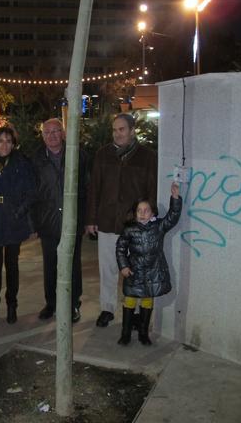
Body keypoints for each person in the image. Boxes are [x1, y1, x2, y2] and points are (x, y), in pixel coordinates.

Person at [85, 113, 157, 328]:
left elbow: (152, 190)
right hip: (107, 221)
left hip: (134, 225)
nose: (117, 134)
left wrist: (149, 219)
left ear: (132, 130)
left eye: (122, 129)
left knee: (134, 270)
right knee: (107, 269)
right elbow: (94, 188)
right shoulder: (103, 154)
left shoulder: (147, 157)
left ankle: (134, 311)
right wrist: (91, 219)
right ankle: (107, 309)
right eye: (114, 130)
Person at [31, 118, 89, 323]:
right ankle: (51, 303)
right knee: (50, 265)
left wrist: (86, 219)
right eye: (47, 132)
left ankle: (73, 304)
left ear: (63, 133)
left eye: (55, 131)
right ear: (42, 136)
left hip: (72, 220)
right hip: (48, 221)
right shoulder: (36, 159)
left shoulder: (78, 155)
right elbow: (32, 194)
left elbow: (86, 188)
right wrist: (34, 223)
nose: (52, 136)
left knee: (73, 264)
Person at [116, 182, 182, 346]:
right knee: (130, 300)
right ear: (135, 213)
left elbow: (172, 217)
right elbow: (120, 249)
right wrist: (124, 266)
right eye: (139, 210)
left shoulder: (158, 226)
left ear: (152, 212)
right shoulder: (129, 229)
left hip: (153, 271)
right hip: (134, 271)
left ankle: (143, 333)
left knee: (147, 300)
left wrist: (175, 198)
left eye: (146, 210)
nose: (142, 213)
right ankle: (125, 333)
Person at [0, 126, 36, 325]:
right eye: (0, 141)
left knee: (12, 265)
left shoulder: (22, 163)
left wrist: (18, 212)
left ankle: (12, 304)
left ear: (13, 144)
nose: (4, 145)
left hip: (14, 221)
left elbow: (31, 192)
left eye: (8, 141)